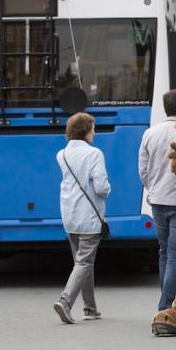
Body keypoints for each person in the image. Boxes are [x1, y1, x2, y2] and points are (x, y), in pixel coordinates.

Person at [53, 112, 111, 324]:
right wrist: (108, 190)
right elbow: (101, 187)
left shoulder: (62, 154)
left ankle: (90, 308)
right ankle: (66, 301)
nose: (94, 132)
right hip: (89, 216)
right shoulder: (94, 154)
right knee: (84, 262)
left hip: (69, 215)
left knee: (83, 262)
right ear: (85, 130)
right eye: (93, 128)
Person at [139, 90, 176, 311]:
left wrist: (153, 187)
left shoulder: (150, 133)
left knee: (163, 250)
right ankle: (167, 304)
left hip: (157, 199)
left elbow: (143, 170)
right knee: (175, 253)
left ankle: (166, 299)